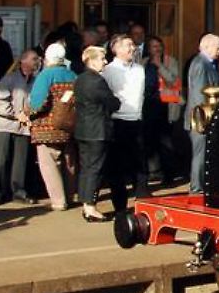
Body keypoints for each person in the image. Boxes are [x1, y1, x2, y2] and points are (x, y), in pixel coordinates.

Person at [29, 42, 78, 210]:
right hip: (69, 126)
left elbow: (38, 103)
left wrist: (26, 111)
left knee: (50, 164)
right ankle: (71, 196)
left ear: (47, 59)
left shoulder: (45, 75)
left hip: (47, 128)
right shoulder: (73, 75)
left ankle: (59, 201)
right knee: (69, 162)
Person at [75, 46, 120, 222]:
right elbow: (113, 103)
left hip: (83, 129)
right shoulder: (97, 81)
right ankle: (90, 206)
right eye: (102, 58)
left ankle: (86, 204)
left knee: (86, 168)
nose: (105, 61)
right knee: (95, 169)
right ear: (92, 61)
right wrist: (116, 100)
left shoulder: (80, 79)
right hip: (97, 130)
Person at [103, 34, 147, 206]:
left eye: (133, 45)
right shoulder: (109, 70)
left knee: (140, 163)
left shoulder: (139, 69)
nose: (132, 48)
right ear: (116, 48)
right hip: (118, 121)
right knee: (118, 166)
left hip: (136, 119)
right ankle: (120, 206)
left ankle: (143, 200)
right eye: (128, 45)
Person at [0, 48, 39, 205]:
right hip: (4, 125)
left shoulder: (36, 80)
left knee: (21, 161)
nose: (36, 61)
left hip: (23, 126)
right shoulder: (10, 79)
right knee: (1, 161)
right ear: (23, 61)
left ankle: (18, 191)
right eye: (33, 59)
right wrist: (16, 114)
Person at [142, 36, 183, 185]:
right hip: (148, 106)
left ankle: (169, 174)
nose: (157, 49)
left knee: (165, 142)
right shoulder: (144, 62)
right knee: (149, 141)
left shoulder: (170, 61)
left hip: (166, 106)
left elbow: (174, 81)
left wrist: (160, 66)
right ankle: (153, 171)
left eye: (159, 45)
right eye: (153, 46)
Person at [185, 33, 219, 194]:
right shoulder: (201, 64)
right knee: (200, 154)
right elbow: (199, 94)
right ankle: (197, 188)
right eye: (217, 47)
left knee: (204, 153)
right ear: (206, 46)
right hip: (200, 119)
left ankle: (202, 185)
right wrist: (204, 119)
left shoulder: (208, 63)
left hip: (203, 118)